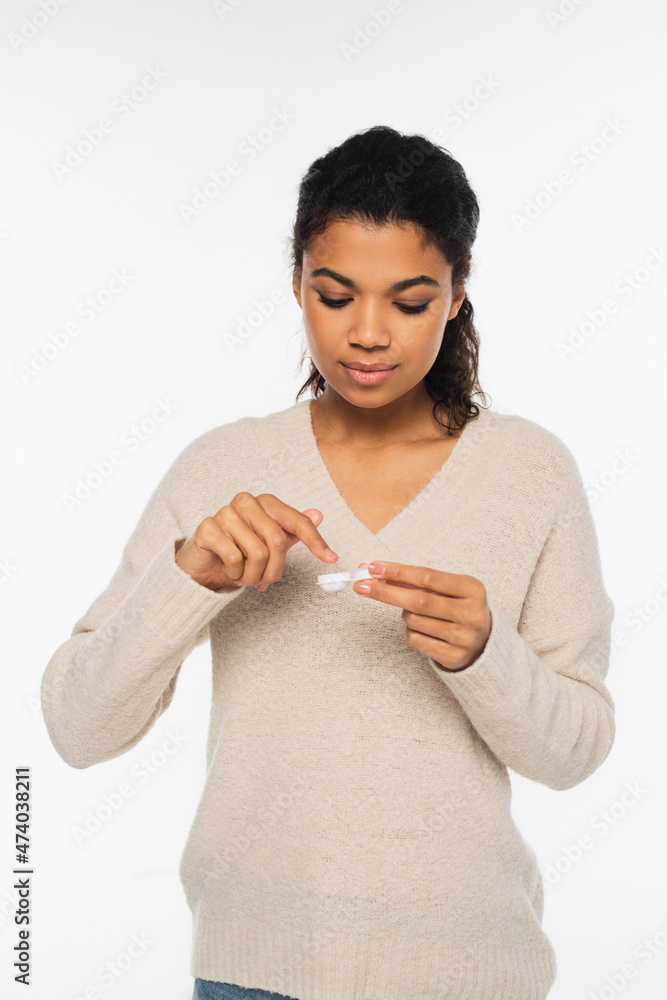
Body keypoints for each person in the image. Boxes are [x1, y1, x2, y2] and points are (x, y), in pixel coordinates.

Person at [41, 125, 616, 1000]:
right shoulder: (220, 467)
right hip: (252, 969)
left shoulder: (530, 471)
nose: (369, 334)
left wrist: (485, 654)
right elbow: (78, 730)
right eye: (335, 296)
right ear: (296, 284)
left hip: (465, 969)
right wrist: (187, 580)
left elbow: (575, 754)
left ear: (457, 294)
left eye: (410, 302)